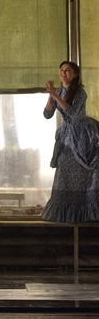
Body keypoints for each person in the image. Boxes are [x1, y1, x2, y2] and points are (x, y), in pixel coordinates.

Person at [42, 61, 99, 222]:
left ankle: (86, 213)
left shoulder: (80, 92)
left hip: (82, 136)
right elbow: (47, 115)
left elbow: (73, 114)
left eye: (67, 70)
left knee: (84, 175)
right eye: (61, 70)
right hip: (66, 136)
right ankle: (66, 213)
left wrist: (55, 96)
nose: (63, 72)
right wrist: (51, 95)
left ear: (75, 74)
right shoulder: (59, 91)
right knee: (63, 172)